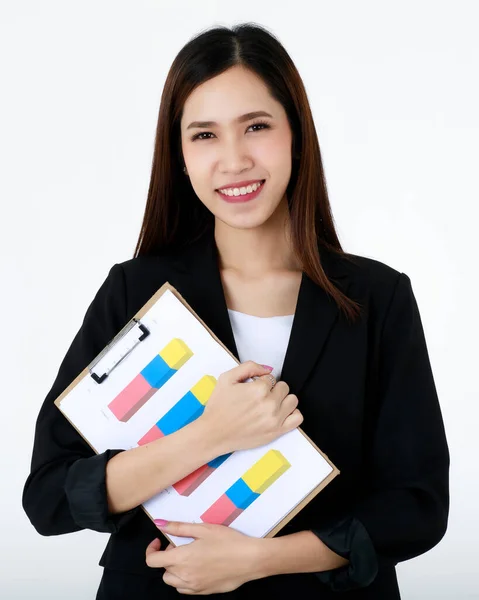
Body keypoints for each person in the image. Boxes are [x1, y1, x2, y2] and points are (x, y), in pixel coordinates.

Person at [22, 22, 450, 599]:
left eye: (256, 126)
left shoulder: (377, 297)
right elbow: (49, 496)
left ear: (296, 134)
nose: (234, 159)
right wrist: (208, 435)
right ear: (179, 155)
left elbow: (417, 504)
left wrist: (261, 560)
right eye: (204, 135)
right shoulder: (135, 292)